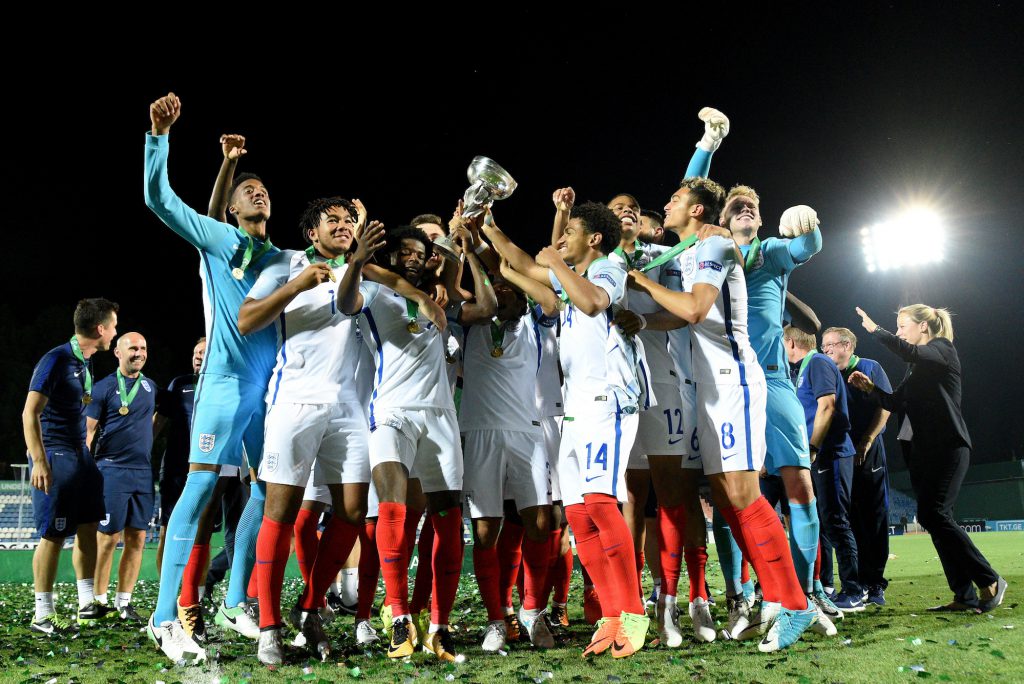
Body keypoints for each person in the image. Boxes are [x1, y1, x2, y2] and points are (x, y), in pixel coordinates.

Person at [627, 177, 818, 653]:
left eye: (674, 199)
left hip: (735, 383)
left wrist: (643, 283)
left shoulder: (716, 245)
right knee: (730, 500)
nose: (666, 204)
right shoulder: (690, 250)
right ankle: (772, 600)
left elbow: (695, 309)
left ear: (695, 210)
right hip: (706, 391)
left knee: (744, 496)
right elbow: (681, 315)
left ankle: (795, 602)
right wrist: (645, 319)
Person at [482, 201, 651, 659]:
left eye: (569, 232)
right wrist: (488, 226)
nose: (560, 241)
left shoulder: (610, 267)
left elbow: (596, 304)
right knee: (578, 516)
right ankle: (611, 613)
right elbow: (521, 261)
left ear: (593, 239)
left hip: (608, 402)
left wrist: (555, 262)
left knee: (600, 503)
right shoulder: (572, 274)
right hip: (575, 408)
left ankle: (633, 612)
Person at [145, 93, 279, 663]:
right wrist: (160, 137)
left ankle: (233, 601)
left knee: (271, 490)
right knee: (199, 489)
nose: (259, 192)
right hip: (223, 382)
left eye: (264, 189)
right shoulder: (219, 241)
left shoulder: (284, 257)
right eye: (247, 190)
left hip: (268, 389)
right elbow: (159, 199)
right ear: (230, 208)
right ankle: (163, 616)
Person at [237, 199, 384, 665]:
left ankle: (309, 608)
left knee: (353, 511)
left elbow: (347, 307)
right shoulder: (286, 263)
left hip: (348, 408)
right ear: (310, 233)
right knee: (279, 513)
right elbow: (246, 319)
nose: (343, 227)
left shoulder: (359, 271)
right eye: (333, 222)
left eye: (349, 221)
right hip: (293, 403)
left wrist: (357, 258)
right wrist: (296, 285)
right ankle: (267, 626)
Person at [339, 224, 483, 663]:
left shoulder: (444, 297)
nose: (414, 256)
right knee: (393, 510)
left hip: (439, 414)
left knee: (447, 521)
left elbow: (472, 291)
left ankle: (438, 626)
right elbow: (345, 301)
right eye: (404, 251)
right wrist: (362, 259)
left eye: (421, 251)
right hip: (392, 411)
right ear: (392, 257)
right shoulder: (376, 292)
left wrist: (460, 234)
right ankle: (398, 616)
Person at [850, 305, 1008, 613]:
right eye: (894, 328)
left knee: (935, 514)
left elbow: (912, 352)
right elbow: (895, 402)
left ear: (923, 327)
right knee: (932, 517)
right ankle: (964, 594)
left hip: (949, 446)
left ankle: (989, 580)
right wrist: (870, 389)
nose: (898, 332)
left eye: (901, 326)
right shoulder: (916, 367)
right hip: (923, 452)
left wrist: (877, 331)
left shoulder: (942, 350)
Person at [461, 265, 558, 653]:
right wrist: (467, 250)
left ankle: (532, 611)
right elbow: (461, 292)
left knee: (539, 521)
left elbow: (544, 298)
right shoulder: (469, 326)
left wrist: (508, 271)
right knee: (486, 531)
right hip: (480, 433)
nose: (501, 292)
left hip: (526, 431)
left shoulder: (534, 324)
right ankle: (495, 620)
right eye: (494, 289)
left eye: (510, 289)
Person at [23, 298, 119, 636]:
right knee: (53, 533)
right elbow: (29, 412)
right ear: (100, 329)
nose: (115, 333)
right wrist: (39, 459)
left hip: (80, 454)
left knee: (89, 523)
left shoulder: (85, 361)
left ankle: (86, 602)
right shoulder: (56, 360)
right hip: (56, 452)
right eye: (114, 326)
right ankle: (42, 614)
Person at [783, 326, 859, 619]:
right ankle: (827, 585)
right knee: (826, 522)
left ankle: (853, 590)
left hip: (832, 453)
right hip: (819, 454)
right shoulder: (807, 367)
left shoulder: (818, 363)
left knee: (836, 522)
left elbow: (827, 406)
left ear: (790, 343)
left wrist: (813, 447)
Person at [86, 332, 157, 623]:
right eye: (132, 348)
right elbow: (87, 432)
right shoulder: (102, 387)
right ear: (118, 352)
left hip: (143, 473)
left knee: (137, 538)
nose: (138, 353)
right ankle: (97, 600)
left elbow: (152, 425)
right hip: (111, 470)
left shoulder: (151, 388)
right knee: (107, 539)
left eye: (143, 348)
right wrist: (85, 470)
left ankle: (124, 602)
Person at [821, 326, 892, 606]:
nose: (825, 351)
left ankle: (875, 584)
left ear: (847, 346)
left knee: (873, 518)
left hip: (868, 453)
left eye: (830, 346)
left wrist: (867, 440)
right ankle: (853, 584)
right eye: (823, 347)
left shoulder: (870, 367)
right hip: (840, 457)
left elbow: (885, 407)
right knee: (843, 518)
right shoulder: (827, 373)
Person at [153, 338, 206, 574]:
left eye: (204, 352)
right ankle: (165, 593)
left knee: (200, 533)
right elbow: (159, 421)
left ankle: (197, 593)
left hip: (206, 469)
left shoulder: (223, 385)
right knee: (168, 529)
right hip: (175, 466)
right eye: (196, 352)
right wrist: (144, 448)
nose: (198, 356)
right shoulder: (179, 384)